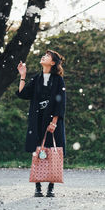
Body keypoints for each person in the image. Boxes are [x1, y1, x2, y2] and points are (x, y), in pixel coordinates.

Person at [16, 49, 66, 197]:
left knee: (53, 152)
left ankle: (51, 187)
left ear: (52, 62)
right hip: (37, 121)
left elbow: (61, 101)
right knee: (37, 152)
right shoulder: (37, 78)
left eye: (47, 56)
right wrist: (23, 75)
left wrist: (55, 121)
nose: (43, 56)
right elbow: (23, 94)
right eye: (44, 55)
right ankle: (37, 187)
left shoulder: (58, 80)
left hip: (52, 122)